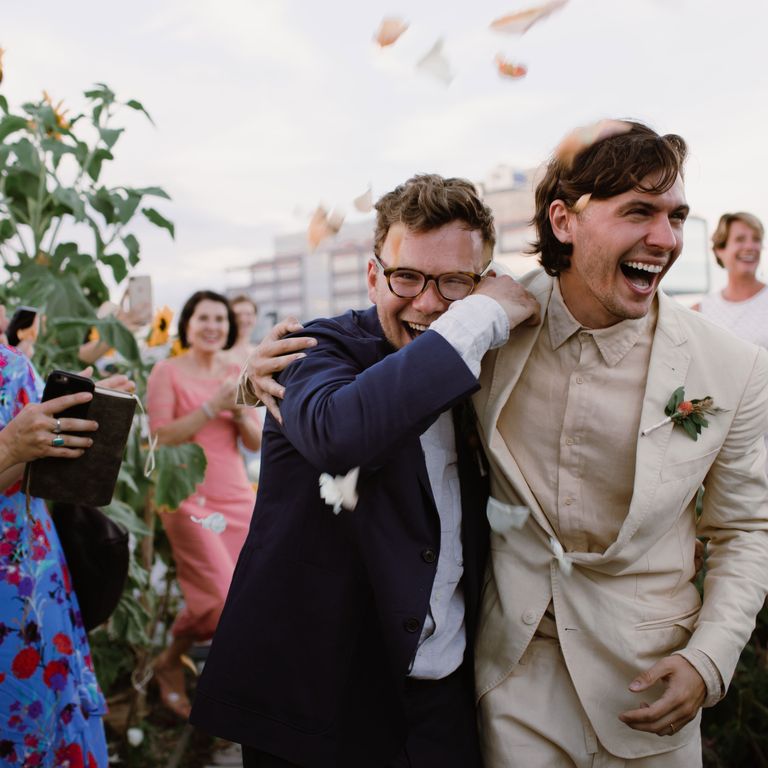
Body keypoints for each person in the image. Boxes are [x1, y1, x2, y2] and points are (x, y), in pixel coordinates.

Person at [246, 123, 768, 767]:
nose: (665, 239)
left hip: (652, 684)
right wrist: (251, 375)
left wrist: (710, 656)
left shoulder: (735, 366)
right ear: (564, 220)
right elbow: (379, 373)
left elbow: (746, 528)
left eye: (677, 216)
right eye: (638, 212)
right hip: (508, 686)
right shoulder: (484, 325)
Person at [190, 175, 538, 768]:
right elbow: (341, 434)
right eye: (408, 277)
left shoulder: (488, 360)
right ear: (374, 275)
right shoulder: (313, 350)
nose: (430, 303)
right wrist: (475, 313)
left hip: (442, 695)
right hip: (320, 699)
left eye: (455, 281)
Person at [0, 345, 133, 767]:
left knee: (42, 723)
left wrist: (74, 426)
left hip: (28, 581)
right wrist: (8, 446)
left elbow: (24, 470)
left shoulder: (9, 363)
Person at [146, 290, 261, 719]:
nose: (213, 326)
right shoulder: (166, 371)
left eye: (220, 319)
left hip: (235, 496)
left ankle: (171, 662)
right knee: (218, 599)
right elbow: (160, 437)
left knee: (247, 595)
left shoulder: (236, 370)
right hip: (186, 496)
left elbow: (253, 441)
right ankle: (174, 664)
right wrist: (212, 404)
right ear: (187, 325)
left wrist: (236, 413)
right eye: (203, 318)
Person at [695, 212, 768, 347]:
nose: (750, 247)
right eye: (740, 239)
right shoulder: (700, 312)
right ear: (719, 250)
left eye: (756, 239)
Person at [223, 294, 259, 368]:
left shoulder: (259, 351)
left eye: (248, 314)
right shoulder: (221, 352)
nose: (243, 319)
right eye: (237, 315)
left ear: (255, 318)